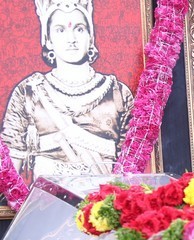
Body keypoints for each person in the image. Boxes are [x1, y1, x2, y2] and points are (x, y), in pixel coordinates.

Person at [2, 0, 134, 180]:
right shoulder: (28, 92)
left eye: (79, 29)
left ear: (91, 38)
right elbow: (9, 174)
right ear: (48, 40)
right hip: (45, 205)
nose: (71, 39)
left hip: (102, 205)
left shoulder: (117, 93)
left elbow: (132, 173)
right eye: (60, 30)